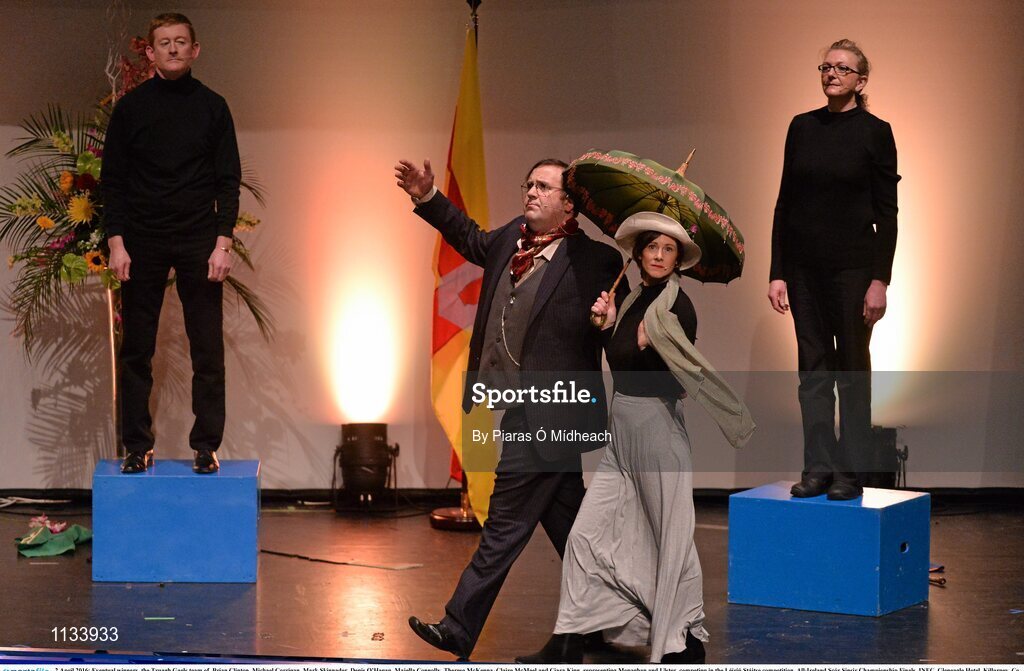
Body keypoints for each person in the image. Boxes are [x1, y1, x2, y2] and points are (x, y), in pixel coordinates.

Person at [394, 157, 623, 659]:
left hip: (555, 412)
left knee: (504, 524)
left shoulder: (596, 261)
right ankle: (608, 623)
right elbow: (469, 237)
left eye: (544, 187)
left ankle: (458, 627)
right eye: (529, 184)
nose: (531, 193)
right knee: (574, 532)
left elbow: (619, 331)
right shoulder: (512, 240)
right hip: (520, 406)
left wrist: (608, 320)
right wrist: (427, 196)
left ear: (569, 203)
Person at [516, 212, 715, 664]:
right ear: (639, 254)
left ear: (678, 259)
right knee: (584, 536)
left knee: (670, 540)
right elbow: (622, 359)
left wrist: (619, 334)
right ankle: (570, 637)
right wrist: (610, 325)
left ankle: (685, 641)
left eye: (669, 249)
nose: (659, 256)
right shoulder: (633, 298)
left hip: (658, 434)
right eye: (652, 247)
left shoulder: (677, 307)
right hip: (622, 434)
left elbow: (649, 368)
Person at [103, 13, 241, 475]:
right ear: (150, 52)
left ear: (195, 49)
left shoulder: (213, 107)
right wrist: (117, 243)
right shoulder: (130, 109)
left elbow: (228, 180)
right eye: (164, 43)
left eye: (181, 41)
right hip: (141, 238)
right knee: (137, 349)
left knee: (207, 349)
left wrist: (223, 243)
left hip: (199, 238)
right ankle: (137, 446)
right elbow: (113, 181)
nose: (173, 49)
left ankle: (206, 446)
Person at [768, 39, 900, 500]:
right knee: (813, 373)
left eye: (843, 68)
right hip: (804, 271)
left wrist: (880, 279)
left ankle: (850, 471)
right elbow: (785, 203)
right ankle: (818, 468)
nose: (832, 74)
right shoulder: (802, 126)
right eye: (826, 66)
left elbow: (888, 212)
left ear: (861, 81)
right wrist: (778, 271)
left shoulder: (875, 131)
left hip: (853, 270)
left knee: (852, 372)